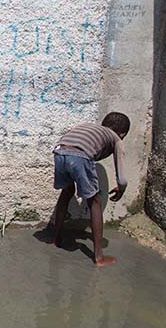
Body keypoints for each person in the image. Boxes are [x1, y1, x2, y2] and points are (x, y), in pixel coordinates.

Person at [49, 111, 131, 267]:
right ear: (123, 133)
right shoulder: (115, 138)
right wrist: (121, 189)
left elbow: (72, 143)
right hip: (79, 155)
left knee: (66, 192)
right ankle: (99, 257)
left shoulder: (89, 127)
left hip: (59, 151)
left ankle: (55, 240)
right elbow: (122, 178)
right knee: (95, 202)